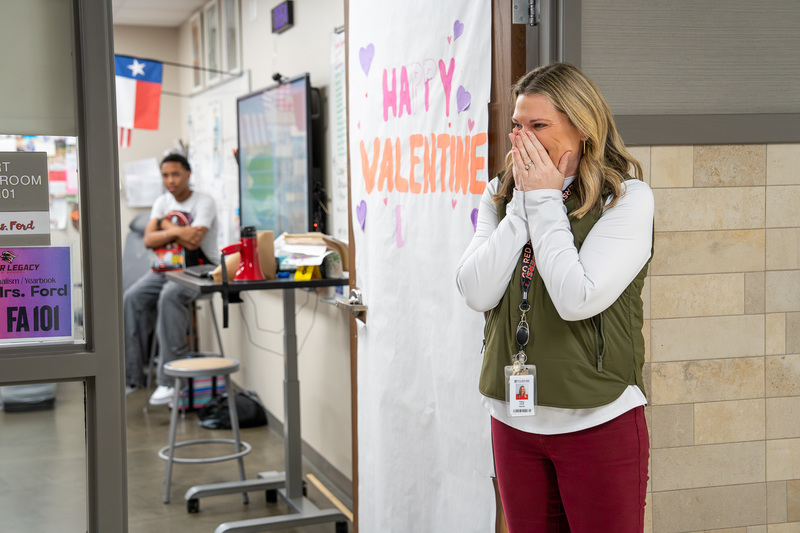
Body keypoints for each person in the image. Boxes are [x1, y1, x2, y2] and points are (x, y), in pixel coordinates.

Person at [456, 63, 654, 532]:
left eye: (538, 126)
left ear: (583, 128)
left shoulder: (625, 199)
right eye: (517, 126)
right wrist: (523, 207)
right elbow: (475, 289)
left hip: (597, 420)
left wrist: (545, 202)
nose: (521, 139)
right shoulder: (501, 194)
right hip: (513, 420)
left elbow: (577, 298)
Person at [124, 153, 218, 406]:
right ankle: (133, 377)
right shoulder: (162, 201)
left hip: (199, 269)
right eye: (165, 175)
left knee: (169, 297)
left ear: (188, 174)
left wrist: (165, 226)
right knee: (132, 298)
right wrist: (178, 230)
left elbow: (195, 240)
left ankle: (169, 381)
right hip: (164, 269)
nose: (170, 180)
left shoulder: (204, 202)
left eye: (176, 174)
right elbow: (148, 240)